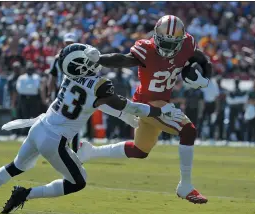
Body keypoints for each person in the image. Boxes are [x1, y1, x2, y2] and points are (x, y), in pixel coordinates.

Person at [0, 43, 183, 212]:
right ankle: (24, 194)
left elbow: (98, 103)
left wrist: (125, 116)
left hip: (40, 127)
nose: (92, 56)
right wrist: (159, 112)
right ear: (82, 65)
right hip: (54, 140)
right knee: (78, 182)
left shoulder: (70, 77)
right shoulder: (99, 85)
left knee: (15, 167)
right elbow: (126, 105)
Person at [81, 15, 211, 204]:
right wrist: (100, 59)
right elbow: (123, 60)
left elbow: (203, 60)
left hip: (160, 102)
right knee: (188, 130)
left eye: (172, 44)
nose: (167, 48)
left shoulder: (187, 44)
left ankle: (90, 152)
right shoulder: (146, 49)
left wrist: (205, 78)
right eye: (164, 43)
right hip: (147, 103)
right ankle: (186, 186)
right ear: (156, 37)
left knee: (139, 151)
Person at [16, 62, 42, 135]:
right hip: (24, 98)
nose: (30, 70)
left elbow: (37, 87)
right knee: (25, 115)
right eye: (28, 69)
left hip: (34, 98)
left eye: (31, 69)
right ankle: (24, 132)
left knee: (34, 116)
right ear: (26, 69)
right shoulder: (21, 77)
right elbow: (19, 89)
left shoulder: (36, 77)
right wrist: (30, 88)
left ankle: (33, 133)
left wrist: (28, 88)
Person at [6, 61, 22, 139]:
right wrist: (12, 102)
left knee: (21, 117)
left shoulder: (23, 77)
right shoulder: (10, 79)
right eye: (15, 68)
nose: (17, 70)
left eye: (18, 68)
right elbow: (10, 91)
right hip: (13, 101)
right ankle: (13, 133)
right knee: (14, 117)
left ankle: (20, 133)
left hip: (22, 101)